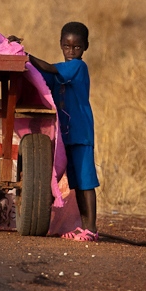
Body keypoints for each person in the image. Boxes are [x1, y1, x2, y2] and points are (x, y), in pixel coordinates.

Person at [14, 22, 99, 242]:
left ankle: (91, 228)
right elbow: (40, 77)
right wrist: (15, 53)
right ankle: (84, 227)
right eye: (67, 47)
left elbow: (48, 69)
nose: (72, 52)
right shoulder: (62, 69)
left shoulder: (78, 67)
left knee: (86, 182)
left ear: (85, 47)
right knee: (77, 183)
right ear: (61, 45)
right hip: (67, 135)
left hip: (80, 133)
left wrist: (27, 55)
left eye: (77, 47)